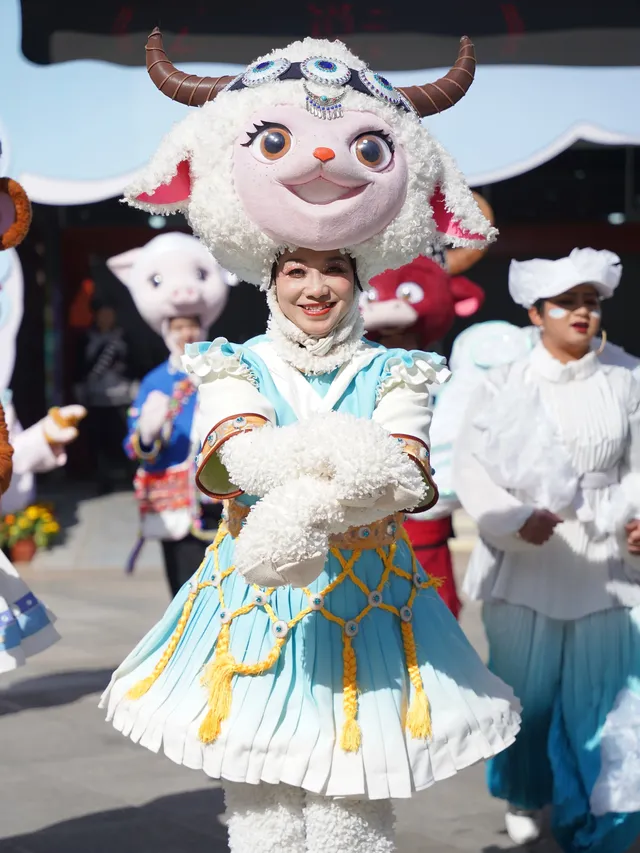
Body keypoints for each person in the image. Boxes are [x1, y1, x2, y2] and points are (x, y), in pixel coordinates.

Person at [101, 31, 521, 853]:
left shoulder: (400, 368)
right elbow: (234, 458)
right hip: (250, 607)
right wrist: (336, 464)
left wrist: (304, 500)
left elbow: (403, 473)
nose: (315, 285)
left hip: (365, 608)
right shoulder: (230, 359)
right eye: (296, 270)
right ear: (271, 278)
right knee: (260, 807)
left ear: (358, 277)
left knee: (352, 803)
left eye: (333, 269)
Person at [453, 248, 640, 852]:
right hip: (525, 561)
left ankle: (604, 819)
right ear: (536, 313)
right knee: (526, 698)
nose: (582, 313)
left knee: (607, 704)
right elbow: (471, 467)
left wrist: (636, 518)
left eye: (591, 301)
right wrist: (510, 521)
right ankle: (523, 791)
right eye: (567, 302)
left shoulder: (627, 375)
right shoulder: (500, 384)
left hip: (609, 563)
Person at [107, 232, 236, 595]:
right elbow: (134, 447)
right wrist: (149, 430)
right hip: (176, 501)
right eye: (178, 327)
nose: (185, 333)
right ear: (166, 330)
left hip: (221, 493)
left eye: (191, 325)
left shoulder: (225, 366)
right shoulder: (155, 381)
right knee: (183, 590)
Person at [79, 302, 134, 494]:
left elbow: (135, 363)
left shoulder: (124, 338)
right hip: (96, 398)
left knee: (124, 437)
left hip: (121, 397)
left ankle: (130, 477)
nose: (106, 318)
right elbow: (81, 367)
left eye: (109, 314)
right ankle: (104, 479)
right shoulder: (87, 338)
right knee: (99, 441)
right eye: (103, 314)